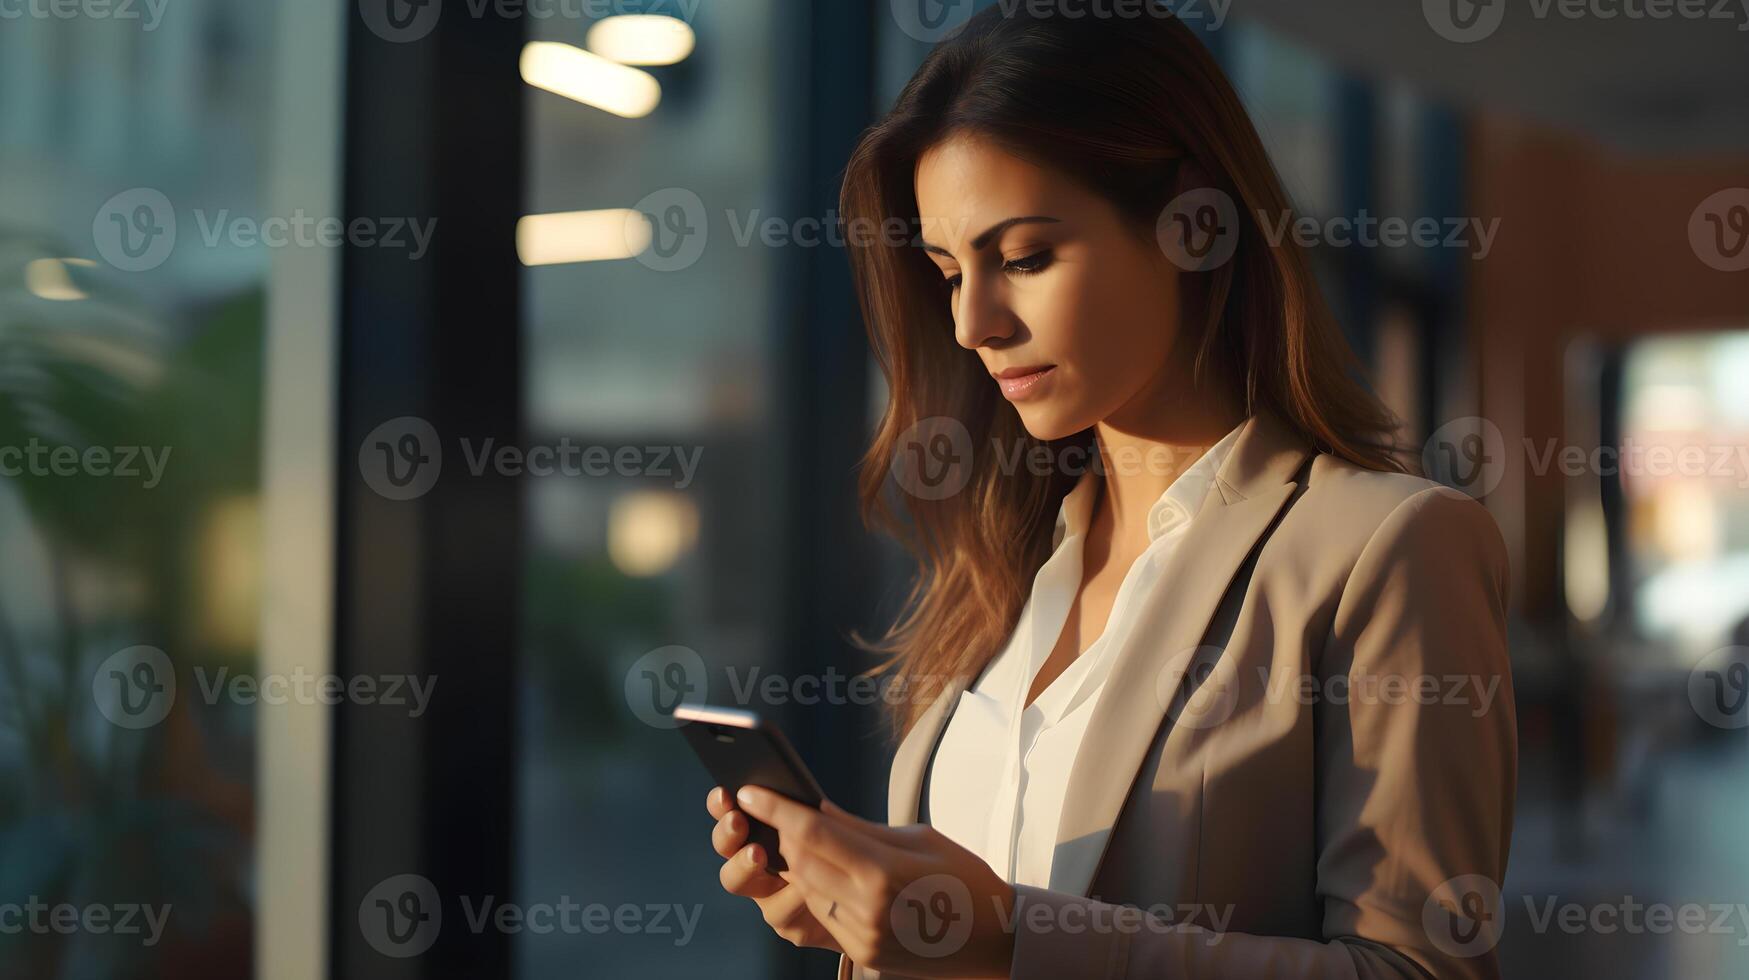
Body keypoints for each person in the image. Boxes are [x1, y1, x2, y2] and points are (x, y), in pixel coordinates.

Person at [706, 5, 1515, 977]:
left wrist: (1010, 938)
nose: (973, 323)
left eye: (1024, 258)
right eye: (948, 271)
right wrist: (863, 918)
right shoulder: (1003, 565)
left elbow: (1422, 968)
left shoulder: (1390, 547)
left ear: (1196, 225)